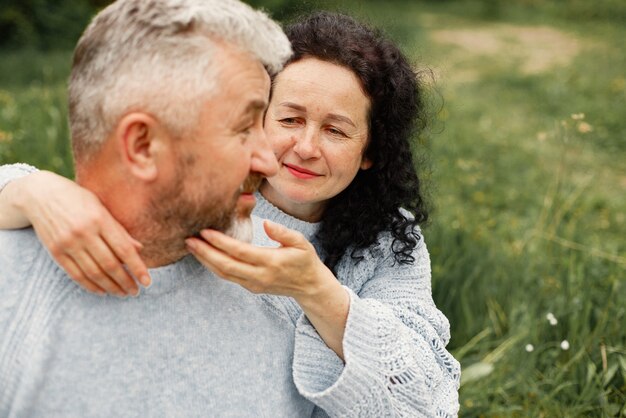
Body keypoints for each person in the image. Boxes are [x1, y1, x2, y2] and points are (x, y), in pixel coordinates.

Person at [0, 10, 460, 418]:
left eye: (336, 130)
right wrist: (26, 187)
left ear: (369, 152)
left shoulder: (384, 240)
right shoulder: (207, 198)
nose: (304, 148)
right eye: (288, 120)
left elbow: (426, 398)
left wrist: (315, 289)